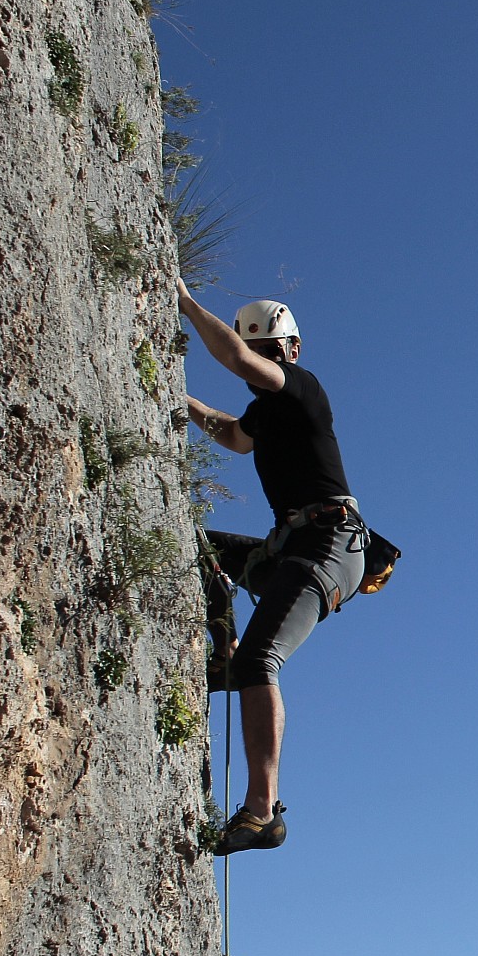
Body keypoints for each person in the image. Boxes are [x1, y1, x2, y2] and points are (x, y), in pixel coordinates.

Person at [178, 283, 369, 855]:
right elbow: (233, 436)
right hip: (293, 548)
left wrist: (185, 302)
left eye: (272, 350)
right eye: (260, 352)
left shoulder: (304, 391)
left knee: (264, 657)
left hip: (330, 544)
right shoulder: (264, 413)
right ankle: (222, 655)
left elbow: (235, 357)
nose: (261, 361)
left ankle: (263, 814)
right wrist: (179, 401)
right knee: (198, 547)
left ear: (293, 350)